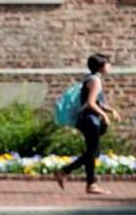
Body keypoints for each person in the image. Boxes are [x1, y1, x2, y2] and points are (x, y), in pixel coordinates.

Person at [55, 53, 122, 194]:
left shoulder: (92, 79)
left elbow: (96, 102)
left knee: (92, 152)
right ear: (101, 66)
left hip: (88, 119)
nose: (110, 66)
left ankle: (89, 184)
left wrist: (110, 110)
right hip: (89, 120)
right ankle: (66, 172)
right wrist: (104, 115)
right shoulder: (95, 81)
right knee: (93, 152)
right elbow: (90, 103)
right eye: (108, 63)